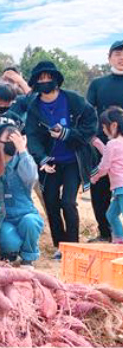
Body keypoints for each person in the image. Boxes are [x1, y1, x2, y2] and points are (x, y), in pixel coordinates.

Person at [25, 61, 97, 259]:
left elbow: (91, 122)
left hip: (73, 159)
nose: (45, 81)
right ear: (35, 82)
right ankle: (60, 245)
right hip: (50, 163)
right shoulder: (34, 107)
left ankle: (72, 246)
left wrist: (68, 134)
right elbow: (32, 136)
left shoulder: (73, 99)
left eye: (49, 77)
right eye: (41, 79)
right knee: (51, 203)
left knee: (68, 202)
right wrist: (41, 159)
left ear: (56, 80)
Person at [87, 40, 123, 243]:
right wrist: (91, 137)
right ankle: (105, 232)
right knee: (99, 188)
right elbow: (87, 112)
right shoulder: (98, 84)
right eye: (117, 53)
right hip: (102, 147)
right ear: (109, 57)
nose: (121, 57)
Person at [0, 124, 44, 268]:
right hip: (4, 218)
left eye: (15, 139)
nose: (11, 143)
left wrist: (22, 150)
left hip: (25, 213)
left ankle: (28, 256)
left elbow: (30, 177)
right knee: (10, 243)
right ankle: (10, 252)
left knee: (30, 222)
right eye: (7, 140)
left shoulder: (23, 160)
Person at [91, 107, 123, 244]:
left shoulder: (112, 143)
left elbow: (104, 166)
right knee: (111, 215)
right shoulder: (117, 144)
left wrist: (94, 177)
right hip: (119, 189)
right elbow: (110, 157)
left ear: (114, 126)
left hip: (121, 187)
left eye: (104, 127)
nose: (103, 130)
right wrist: (98, 143)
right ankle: (120, 239)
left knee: (112, 215)